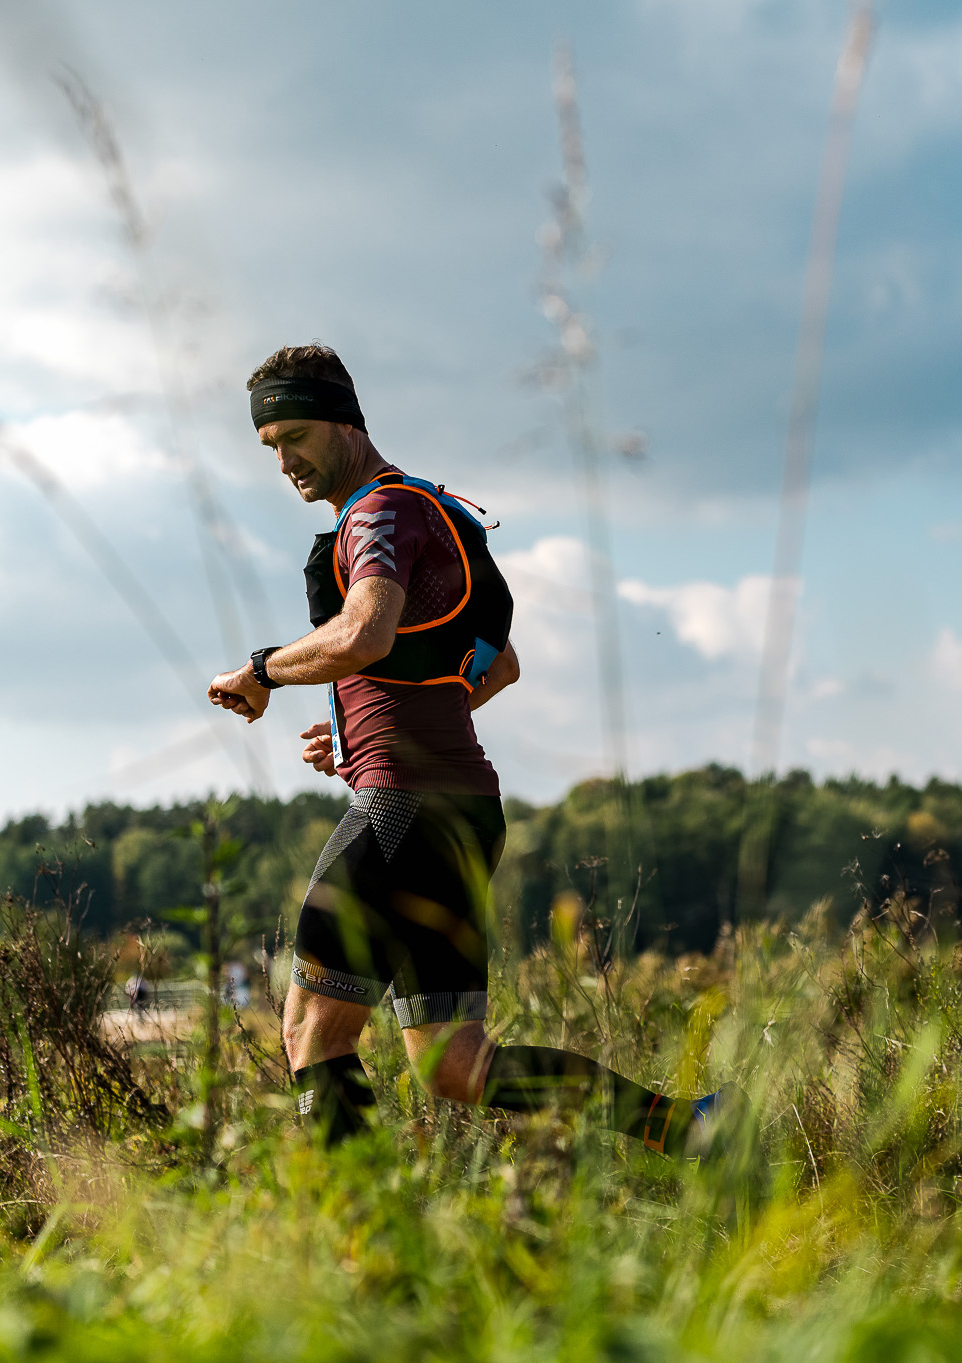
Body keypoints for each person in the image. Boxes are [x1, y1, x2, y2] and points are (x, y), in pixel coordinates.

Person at [207, 343, 729, 1153]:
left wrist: (265, 669)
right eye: (270, 445)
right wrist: (354, 729)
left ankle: (364, 1235)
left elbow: (366, 633)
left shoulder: (376, 514)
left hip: (400, 810)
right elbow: (498, 663)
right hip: (463, 811)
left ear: (346, 421)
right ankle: (687, 1128)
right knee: (456, 1064)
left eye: (297, 435)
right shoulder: (435, 510)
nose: (285, 461)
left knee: (313, 1030)